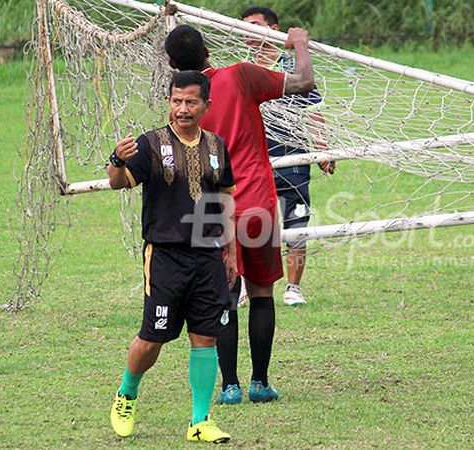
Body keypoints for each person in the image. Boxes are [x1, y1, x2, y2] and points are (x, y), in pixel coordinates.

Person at [164, 21, 316, 404]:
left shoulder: (180, 109)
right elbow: (302, 82)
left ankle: (229, 386)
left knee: (224, 297)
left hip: (211, 210)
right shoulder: (241, 76)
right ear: (208, 53)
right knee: (262, 291)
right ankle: (260, 383)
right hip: (256, 203)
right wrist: (298, 44)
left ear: (170, 64)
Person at [106, 70, 238, 443]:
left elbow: (226, 198)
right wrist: (117, 159)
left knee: (205, 338)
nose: (182, 109)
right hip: (165, 257)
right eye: (176, 101)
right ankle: (126, 393)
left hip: (208, 257)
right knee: (152, 339)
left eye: (191, 102)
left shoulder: (217, 146)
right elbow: (118, 183)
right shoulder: (150, 144)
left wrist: (231, 251)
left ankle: (200, 421)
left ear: (206, 106)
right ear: (169, 102)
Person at [242, 5, 336, 307]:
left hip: (292, 155)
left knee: (296, 219)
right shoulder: (241, 70)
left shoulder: (295, 69)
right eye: (244, 26)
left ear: (272, 29)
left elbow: (314, 111)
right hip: (253, 160)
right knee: (251, 223)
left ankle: (293, 287)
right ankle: (247, 284)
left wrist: (322, 148)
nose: (248, 32)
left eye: (254, 25)